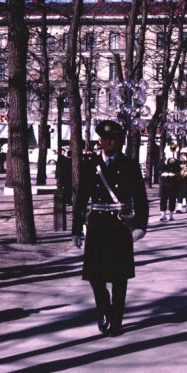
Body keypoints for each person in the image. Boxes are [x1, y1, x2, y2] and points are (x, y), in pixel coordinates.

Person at [71, 120, 149, 337]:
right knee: (95, 277)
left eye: (111, 139)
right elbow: (81, 199)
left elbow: (141, 199)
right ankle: (104, 308)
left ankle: (116, 320)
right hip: (97, 224)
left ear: (119, 141)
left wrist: (141, 226)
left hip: (119, 225)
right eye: (104, 139)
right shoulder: (90, 165)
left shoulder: (129, 165)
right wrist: (76, 230)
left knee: (119, 278)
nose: (107, 142)